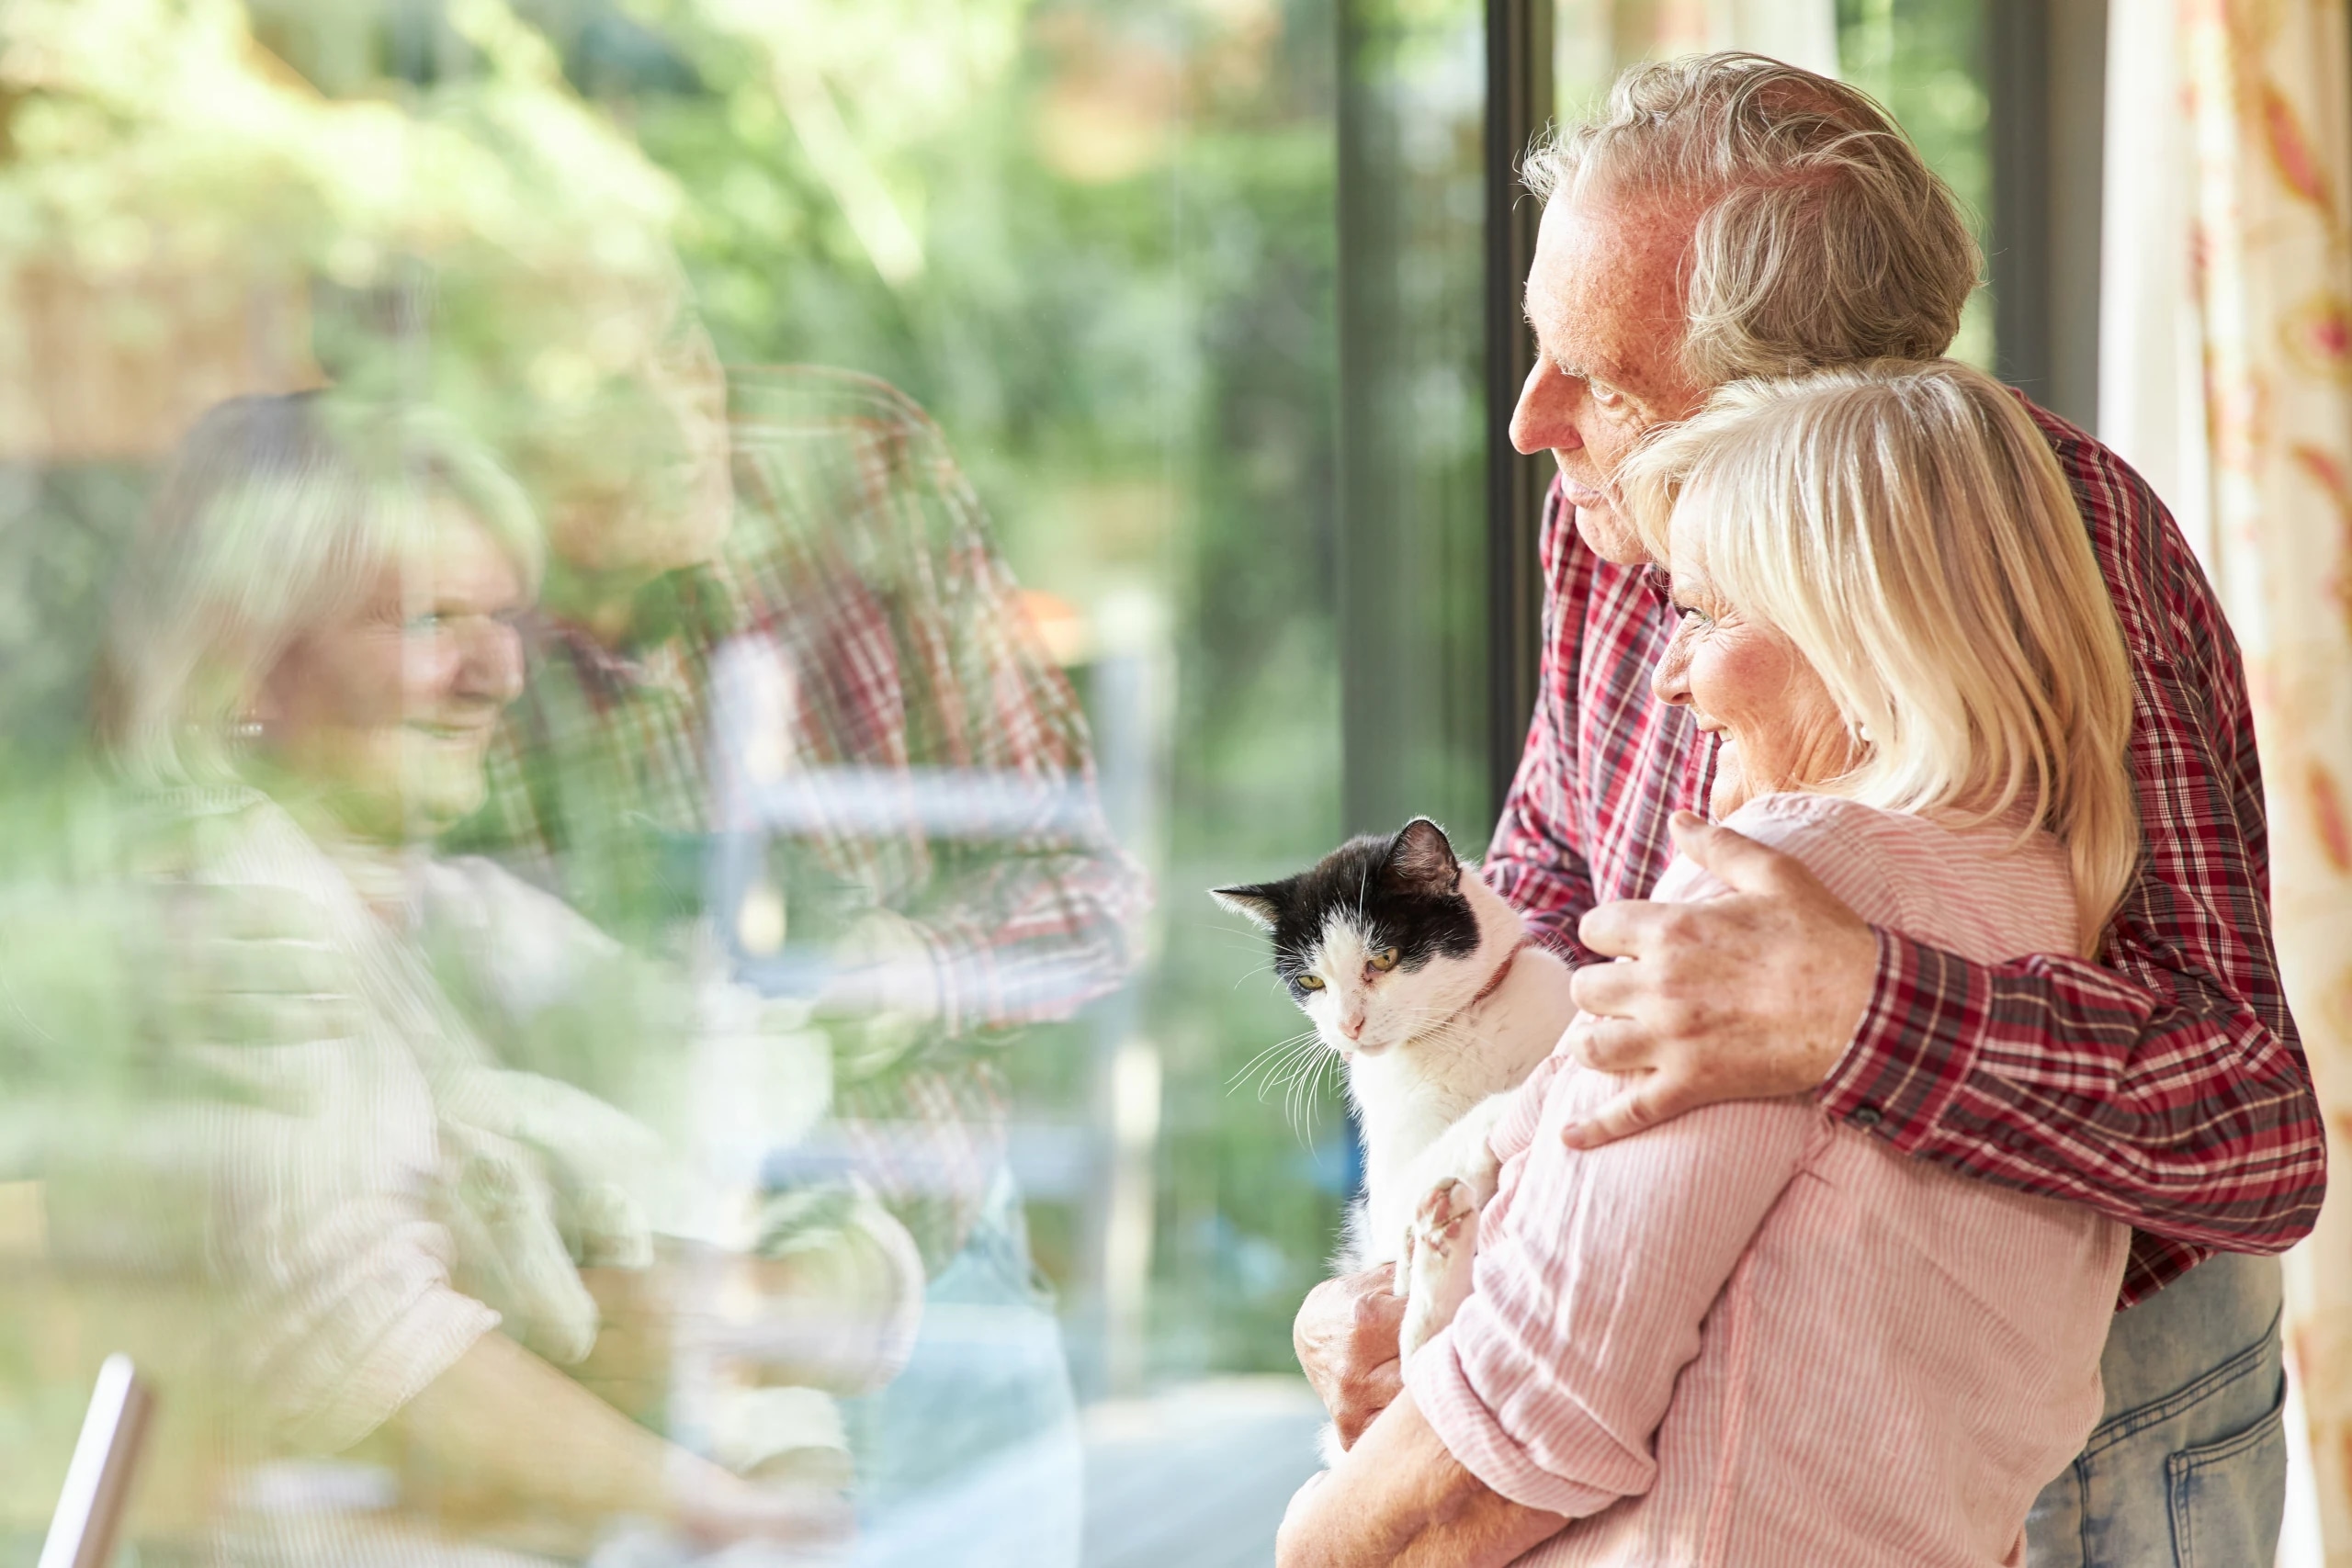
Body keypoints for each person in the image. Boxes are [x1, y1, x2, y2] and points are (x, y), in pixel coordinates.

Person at [1294, 53, 2316, 1568]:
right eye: (1540, 347)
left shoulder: (2064, 551)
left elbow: (2252, 1123)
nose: (1530, 418)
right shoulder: (1610, 507)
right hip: (1696, 1391)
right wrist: (1424, 1252)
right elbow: (1556, 887)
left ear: (1810, 418)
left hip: (2065, 1426)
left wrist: (1864, 1009)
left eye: (1606, 378)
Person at [1283, 355, 2147, 1565]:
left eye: (1703, 614)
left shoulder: (1785, 883)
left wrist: (1306, 1541)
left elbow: (1521, 1426)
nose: (1670, 672)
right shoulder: (2049, 894)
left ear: (1858, 629)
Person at [58, 391, 913, 1562]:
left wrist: (730, 1305)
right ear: (245, 665)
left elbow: (830, 1198)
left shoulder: (470, 923)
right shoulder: (228, 931)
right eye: (427, 619)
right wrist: (734, 1505)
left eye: (504, 615)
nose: (499, 673)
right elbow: (356, 1340)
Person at [447, 319, 1148, 1567]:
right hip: (614, 1322)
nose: (680, 421)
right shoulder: (435, 596)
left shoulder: (853, 470)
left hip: (935, 1279)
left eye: (680, 352)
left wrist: (901, 973)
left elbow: (1088, 899)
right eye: (609, 384)